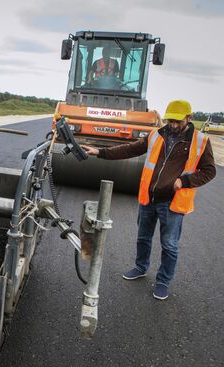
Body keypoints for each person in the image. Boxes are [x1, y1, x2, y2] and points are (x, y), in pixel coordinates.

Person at [82, 100, 216, 300]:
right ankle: (141, 267)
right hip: (149, 197)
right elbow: (131, 149)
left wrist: (185, 181)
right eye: (171, 120)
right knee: (143, 237)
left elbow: (209, 171)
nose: (173, 124)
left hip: (173, 202)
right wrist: (100, 152)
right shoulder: (156, 134)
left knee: (169, 245)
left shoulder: (200, 141)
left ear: (189, 118)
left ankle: (163, 281)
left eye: (178, 121)